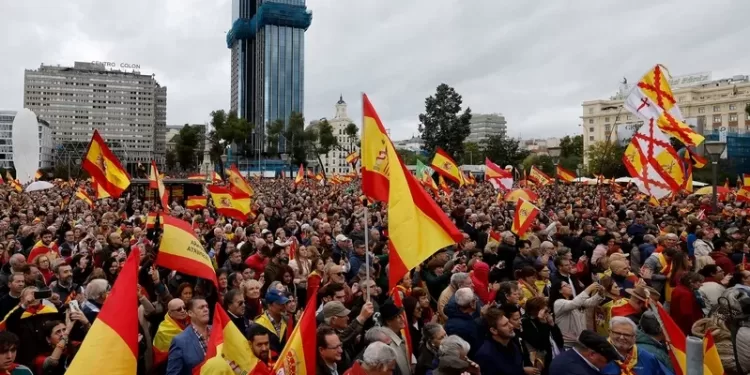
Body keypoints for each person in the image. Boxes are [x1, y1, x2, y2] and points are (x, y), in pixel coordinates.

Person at [601, 317, 670, 375]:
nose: (621, 337)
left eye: (626, 335)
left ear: (635, 337)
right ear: (609, 332)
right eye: (617, 333)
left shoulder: (648, 358)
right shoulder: (598, 354)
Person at [474, 307, 527, 375]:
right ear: (494, 330)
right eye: (505, 325)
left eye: (508, 322)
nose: (511, 326)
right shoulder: (485, 355)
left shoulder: (511, 344)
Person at [166, 297, 211, 375]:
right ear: (190, 313)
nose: (206, 309)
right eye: (201, 307)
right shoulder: (179, 341)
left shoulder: (218, 331)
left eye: (207, 306)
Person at [548, 330, 621, 375]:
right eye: (607, 361)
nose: (606, 365)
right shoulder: (577, 371)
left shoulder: (567, 357)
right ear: (592, 355)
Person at [379, 301, 412, 375]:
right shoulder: (386, 344)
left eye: (401, 315)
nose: (402, 319)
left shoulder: (400, 336)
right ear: (388, 322)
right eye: (398, 317)